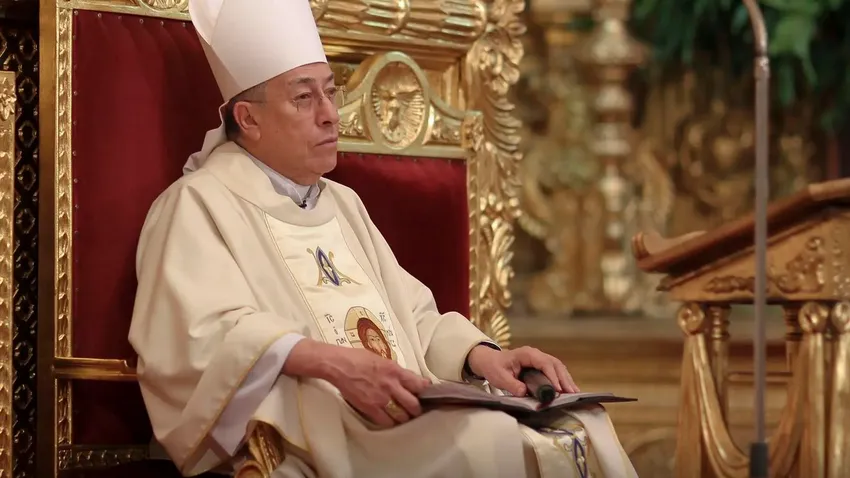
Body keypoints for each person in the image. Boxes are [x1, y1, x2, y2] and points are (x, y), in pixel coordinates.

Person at [128, 1, 639, 477]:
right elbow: (198, 344)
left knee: (581, 423)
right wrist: (330, 363)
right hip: (315, 432)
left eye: (331, 92)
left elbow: (412, 318)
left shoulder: (341, 203)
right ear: (248, 118)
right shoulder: (197, 205)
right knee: (491, 439)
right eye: (304, 97)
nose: (330, 113)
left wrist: (482, 357)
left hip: (399, 414)